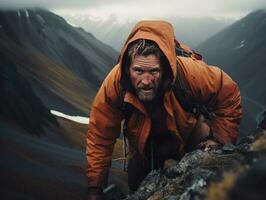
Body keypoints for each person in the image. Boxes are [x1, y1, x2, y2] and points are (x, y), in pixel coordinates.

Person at [86, 20, 243, 199]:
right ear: (127, 69)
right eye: (138, 71)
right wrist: (95, 187)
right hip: (143, 148)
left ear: (165, 69)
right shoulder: (115, 84)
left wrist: (219, 140)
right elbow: (100, 135)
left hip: (190, 133)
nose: (145, 81)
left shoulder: (188, 73)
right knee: (138, 189)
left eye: (153, 72)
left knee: (212, 167)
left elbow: (229, 93)